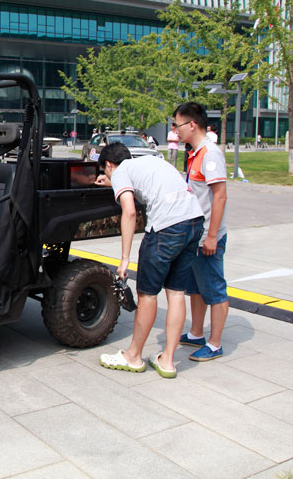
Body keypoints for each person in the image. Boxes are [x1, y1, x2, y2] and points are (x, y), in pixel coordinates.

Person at [96, 142, 204, 378]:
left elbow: (130, 212)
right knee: (175, 292)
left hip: (167, 228)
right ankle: (167, 361)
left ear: (109, 165)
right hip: (194, 220)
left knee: (147, 294)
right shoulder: (151, 161)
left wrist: (124, 259)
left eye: (104, 171)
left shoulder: (121, 171)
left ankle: (133, 356)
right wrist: (112, 182)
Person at [173, 102, 229, 362]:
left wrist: (211, 236)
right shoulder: (195, 153)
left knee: (214, 289)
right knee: (195, 287)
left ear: (192, 124)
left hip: (208, 236)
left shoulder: (210, 154)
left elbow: (219, 197)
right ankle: (196, 333)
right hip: (196, 235)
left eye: (178, 125)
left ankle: (215, 344)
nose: (175, 131)